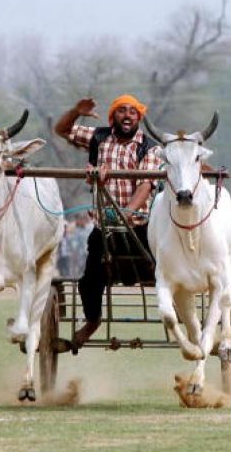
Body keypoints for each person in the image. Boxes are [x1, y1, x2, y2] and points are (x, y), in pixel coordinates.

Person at [54, 94, 163, 348]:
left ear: (139, 117)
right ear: (113, 116)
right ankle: (92, 322)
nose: (127, 116)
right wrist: (75, 111)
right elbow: (62, 130)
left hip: (140, 228)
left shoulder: (150, 147)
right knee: (88, 281)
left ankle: (179, 312)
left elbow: (146, 183)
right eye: (121, 111)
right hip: (104, 228)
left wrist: (127, 213)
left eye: (132, 112)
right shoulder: (98, 138)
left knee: (168, 273)